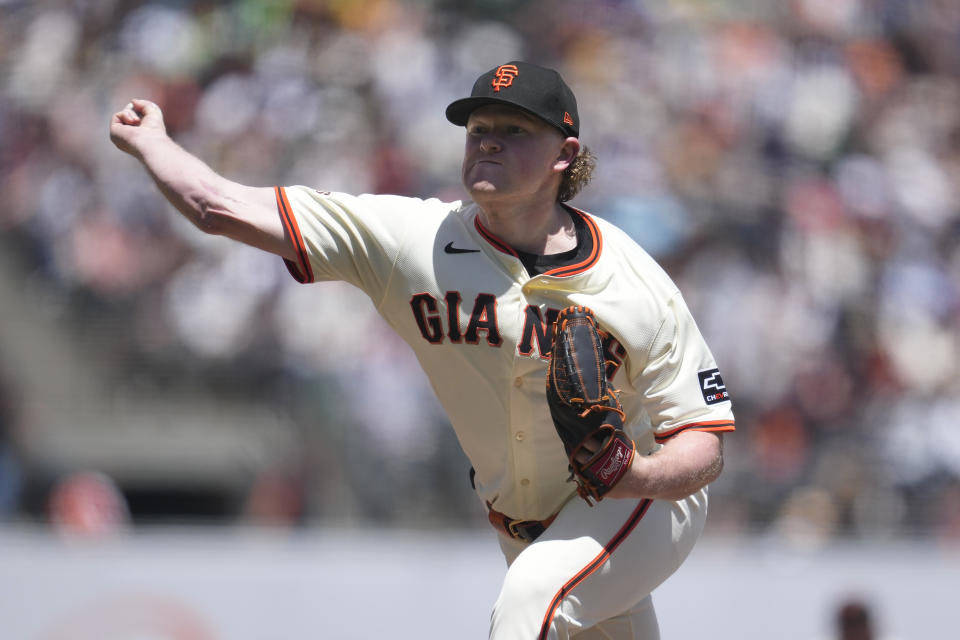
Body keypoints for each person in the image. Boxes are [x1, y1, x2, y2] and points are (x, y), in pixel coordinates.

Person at [110, 60, 735, 639]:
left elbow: (705, 444)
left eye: (514, 130)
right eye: (478, 127)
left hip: (639, 506)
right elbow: (220, 207)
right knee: (541, 589)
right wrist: (154, 145)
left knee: (529, 602)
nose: (487, 140)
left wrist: (637, 476)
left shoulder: (633, 281)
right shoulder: (415, 240)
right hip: (521, 524)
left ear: (563, 155)